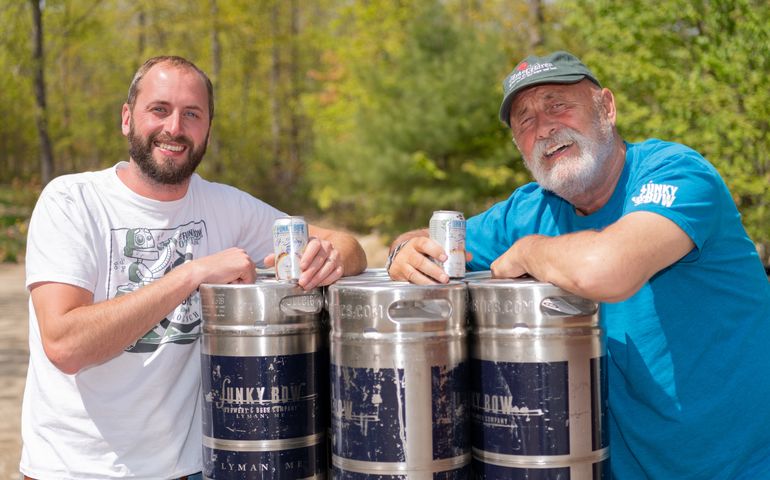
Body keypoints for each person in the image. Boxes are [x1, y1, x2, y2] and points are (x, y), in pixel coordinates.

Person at [387, 51, 770, 478]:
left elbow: (607, 270)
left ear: (606, 107)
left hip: (739, 466)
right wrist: (402, 255)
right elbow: (423, 240)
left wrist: (532, 251)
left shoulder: (676, 173)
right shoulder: (529, 209)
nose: (545, 128)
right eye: (525, 122)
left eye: (558, 105)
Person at [20, 55, 367, 480]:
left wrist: (332, 257)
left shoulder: (226, 206)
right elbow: (65, 344)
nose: (175, 128)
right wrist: (192, 274)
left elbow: (347, 245)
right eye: (159, 109)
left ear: (207, 129)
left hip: (189, 470)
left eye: (192, 114)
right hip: (72, 470)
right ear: (127, 118)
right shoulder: (72, 201)